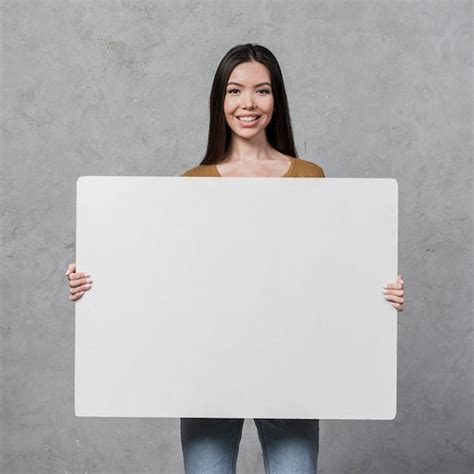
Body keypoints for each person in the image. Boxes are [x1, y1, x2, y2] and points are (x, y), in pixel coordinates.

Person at [65, 43, 405, 474]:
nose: (248, 103)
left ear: (276, 100)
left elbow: (327, 276)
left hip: (291, 371)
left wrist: (379, 293)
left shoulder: (310, 177)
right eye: (234, 91)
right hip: (207, 372)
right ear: (219, 101)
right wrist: (96, 282)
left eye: (261, 91)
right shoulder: (192, 184)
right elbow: (163, 280)